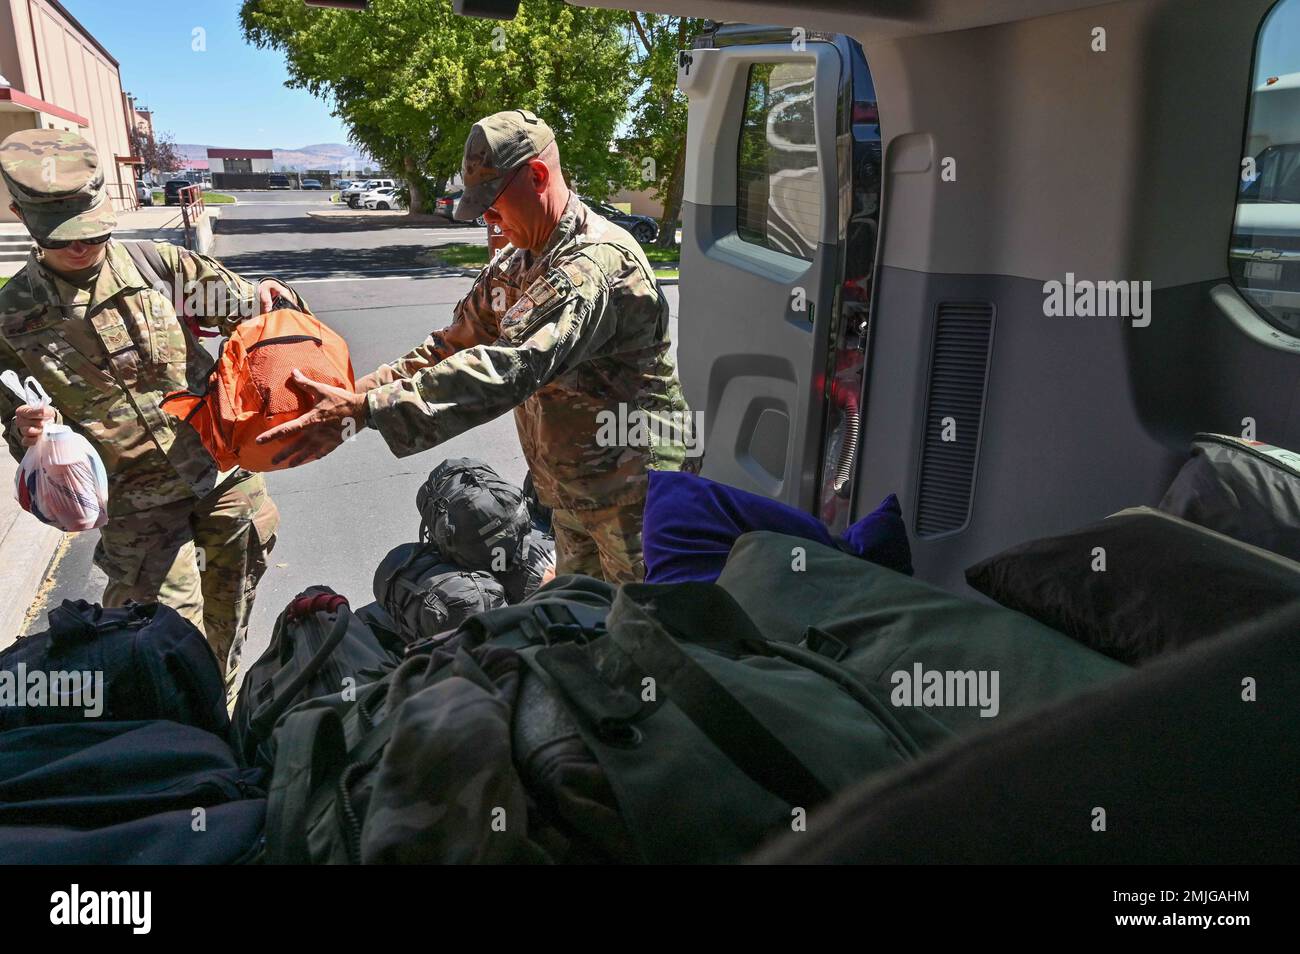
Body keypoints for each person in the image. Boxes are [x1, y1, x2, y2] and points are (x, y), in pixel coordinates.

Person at [259, 110, 692, 583]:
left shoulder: (596, 265)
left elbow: (511, 365)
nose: (487, 217)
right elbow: (449, 347)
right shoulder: (518, 264)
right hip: (573, 493)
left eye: (494, 200)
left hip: (638, 494)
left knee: (649, 633)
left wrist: (369, 411)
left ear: (538, 176)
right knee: (584, 626)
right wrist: (351, 397)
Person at [0, 129, 301, 696]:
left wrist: (270, 308)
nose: (82, 249)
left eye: (91, 233)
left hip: (222, 479)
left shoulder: (161, 269)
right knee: (160, 640)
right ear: (21, 215)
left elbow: (259, 314)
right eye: (64, 238)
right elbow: (15, 422)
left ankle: (223, 709)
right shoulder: (11, 320)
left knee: (229, 616)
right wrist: (28, 434)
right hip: (135, 509)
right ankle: (185, 732)